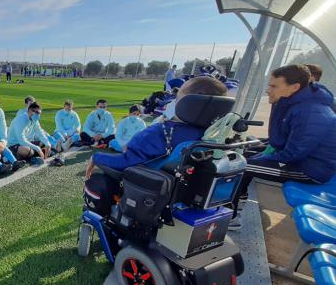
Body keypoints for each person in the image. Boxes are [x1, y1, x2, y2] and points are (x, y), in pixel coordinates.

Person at [231, 65, 336, 225]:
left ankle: (232, 217)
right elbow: (284, 140)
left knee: (241, 166)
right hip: (300, 161)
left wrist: (265, 156)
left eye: (274, 86)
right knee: (244, 156)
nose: (268, 90)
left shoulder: (310, 111)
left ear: (294, 87)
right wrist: (262, 151)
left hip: (310, 170)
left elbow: (294, 154)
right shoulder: (297, 104)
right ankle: (233, 209)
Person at [86, 76, 228, 178]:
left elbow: (126, 161)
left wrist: (96, 157)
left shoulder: (157, 132)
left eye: (177, 98)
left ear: (187, 105)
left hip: (149, 190)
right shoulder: (214, 137)